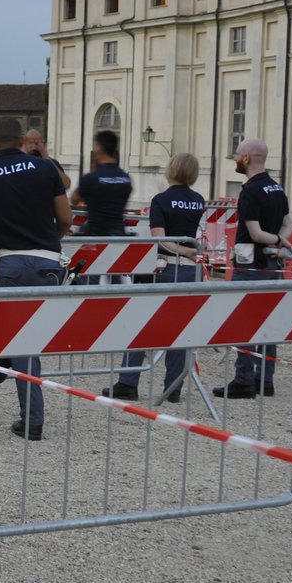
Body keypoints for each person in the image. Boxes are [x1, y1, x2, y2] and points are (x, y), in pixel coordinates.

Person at [0, 115, 73, 440]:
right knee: (31, 340)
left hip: (11, 263)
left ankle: (32, 419)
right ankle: (4, 356)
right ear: (23, 139)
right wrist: (48, 239)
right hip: (48, 261)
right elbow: (66, 218)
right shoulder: (44, 169)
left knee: (23, 341)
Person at [105, 153, 206, 403]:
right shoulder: (198, 200)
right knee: (180, 329)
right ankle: (174, 386)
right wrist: (191, 252)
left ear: (171, 170)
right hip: (190, 271)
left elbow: (160, 239)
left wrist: (182, 249)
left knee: (142, 323)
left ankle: (128, 382)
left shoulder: (161, 200)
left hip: (165, 268)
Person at [214, 138, 292, 398]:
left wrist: (277, 241)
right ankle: (265, 380)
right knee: (269, 322)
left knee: (243, 322)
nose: (235, 159)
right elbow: (288, 222)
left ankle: (244, 380)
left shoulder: (250, 191)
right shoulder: (276, 188)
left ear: (247, 158)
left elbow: (256, 233)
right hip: (273, 265)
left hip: (249, 266)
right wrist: (280, 243)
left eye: (237, 155)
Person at [72, 129, 133, 236]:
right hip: (119, 234)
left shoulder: (91, 178)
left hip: (94, 236)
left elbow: (75, 199)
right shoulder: (126, 178)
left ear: (99, 148)